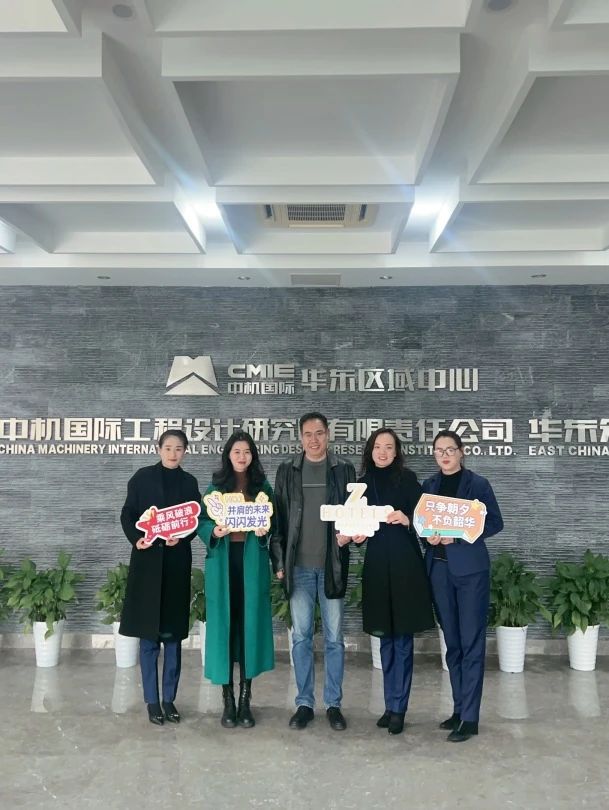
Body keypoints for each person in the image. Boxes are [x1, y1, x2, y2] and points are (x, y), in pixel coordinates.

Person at [273, 412, 356, 731]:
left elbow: (353, 514)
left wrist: (353, 534)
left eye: (319, 433)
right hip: (299, 568)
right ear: (300, 437)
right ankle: (304, 703)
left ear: (328, 434)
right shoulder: (287, 470)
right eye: (308, 434)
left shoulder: (343, 469)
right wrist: (279, 562)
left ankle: (333, 704)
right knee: (301, 638)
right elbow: (279, 520)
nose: (314, 439)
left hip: (331, 565)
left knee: (335, 639)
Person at [421, 429, 504, 743]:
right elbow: (422, 524)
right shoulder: (429, 486)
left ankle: (470, 718)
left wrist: (458, 536)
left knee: (471, 644)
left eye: (450, 450)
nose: (444, 455)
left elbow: (494, 522)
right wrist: (427, 536)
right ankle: (458, 710)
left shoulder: (478, 485)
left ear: (461, 452)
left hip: (470, 573)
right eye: (439, 450)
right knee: (453, 644)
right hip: (439, 571)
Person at [352, 428, 435, 735]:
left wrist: (408, 519)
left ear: (397, 451)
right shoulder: (361, 486)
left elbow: (427, 521)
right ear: (370, 451)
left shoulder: (408, 480)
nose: (383, 452)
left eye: (389, 447)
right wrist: (356, 535)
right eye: (378, 447)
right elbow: (356, 525)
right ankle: (389, 705)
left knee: (402, 639)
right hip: (377, 567)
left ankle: (400, 707)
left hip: (404, 566)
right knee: (384, 637)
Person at [119, 429, 201, 726]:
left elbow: (196, 520)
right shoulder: (142, 478)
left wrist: (183, 536)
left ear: (185, 452)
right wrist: (136, 539)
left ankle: (169, 699)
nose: (173, 453)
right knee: (148, 637)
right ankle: (152, 702)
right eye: (168, 448)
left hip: (176, 564)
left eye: (179, 448)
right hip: (148, 564)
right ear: (159, 449)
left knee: (173, 637)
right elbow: (127, 514)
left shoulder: (189, 482)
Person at [198, 431, 275, 729]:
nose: (242, 457)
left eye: (247, 452)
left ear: (253, 456)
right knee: (224, 629)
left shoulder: (262, 487)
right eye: (236, 452)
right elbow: (202, 521)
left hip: (251, 562)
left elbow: (273, 522)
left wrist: (265, 531)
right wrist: (213, 531)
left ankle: (245, 699)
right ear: (228, 455)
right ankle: (227, 698)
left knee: (248, 627)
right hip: (223, 563)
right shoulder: (216, 487)